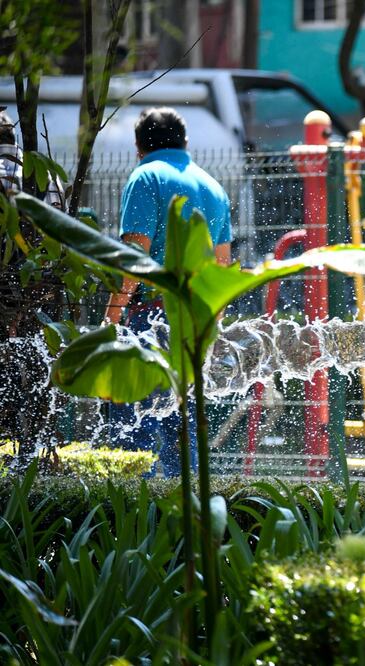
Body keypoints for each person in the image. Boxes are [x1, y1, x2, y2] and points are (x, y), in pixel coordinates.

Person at [105, 106, 232, 476]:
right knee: (183, 438)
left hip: (149, 321)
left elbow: (135, 257)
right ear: (185, 142)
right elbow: (222, 267)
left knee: (133, 437)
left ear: (138, 146)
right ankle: (183, 526)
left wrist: (111, 317)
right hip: (194, 324)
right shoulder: (213, 186)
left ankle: (134, 524)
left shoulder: (145, 177)